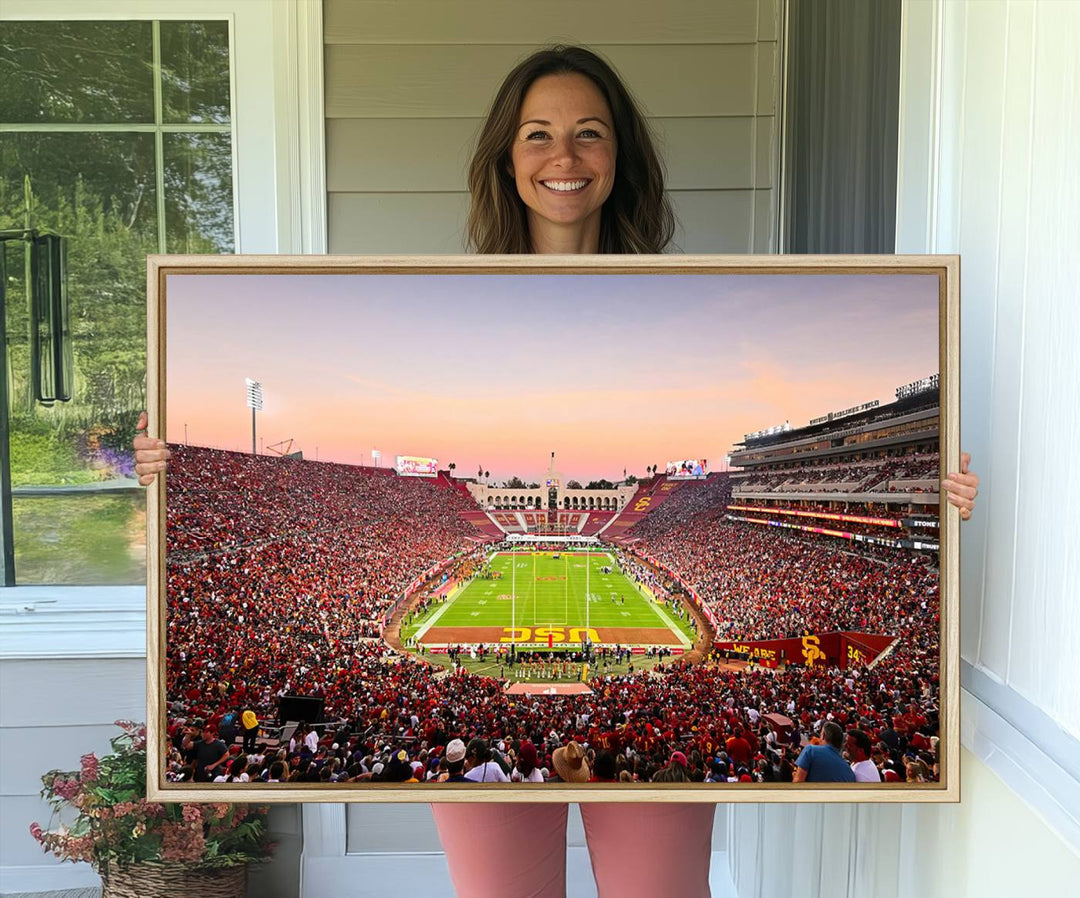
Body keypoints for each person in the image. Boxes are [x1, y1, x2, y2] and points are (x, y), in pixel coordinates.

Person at [134, 43, 980, 898]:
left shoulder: (685, 299)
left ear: (621, 157)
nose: (563, 157)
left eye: (589, 133)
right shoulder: (451, 300)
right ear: (506, 157)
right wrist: (168, 471)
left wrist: (933, 500)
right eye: (537, 134)